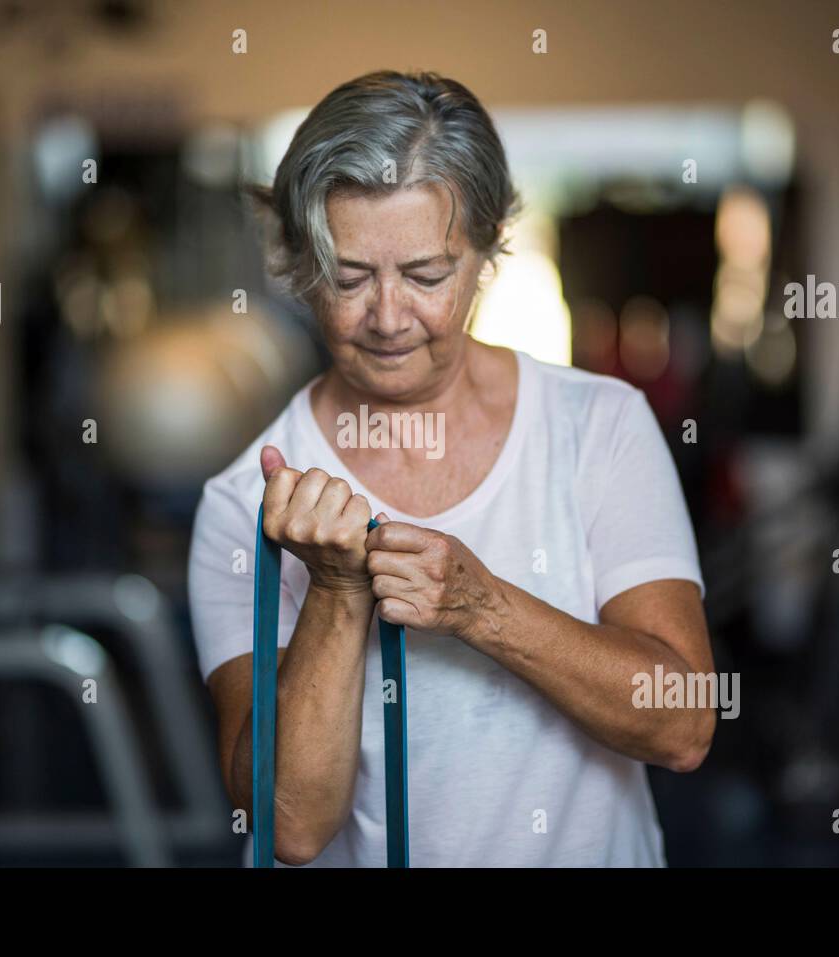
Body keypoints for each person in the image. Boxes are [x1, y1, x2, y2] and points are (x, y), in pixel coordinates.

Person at [188, 70, 713, 867]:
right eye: (351, 277)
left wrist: (482, 608)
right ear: (299, 265)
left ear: (486, 250)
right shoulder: (244, 505)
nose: (390, 317)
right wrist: (333, 592)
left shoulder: (597, 428)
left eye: (428, 275)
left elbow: (683, 724)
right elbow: (290, 827)